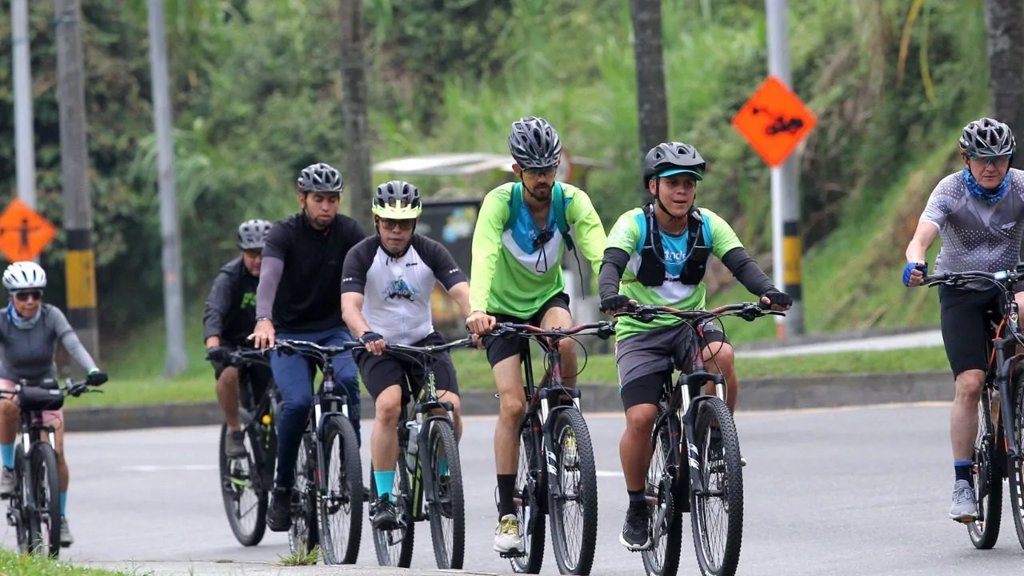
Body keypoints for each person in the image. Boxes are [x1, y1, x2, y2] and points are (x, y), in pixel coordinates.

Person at [598, 141, 791, 550]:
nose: (682, 191)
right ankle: (637, 505)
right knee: (641, 417)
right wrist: (611, 296)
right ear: (653, 186)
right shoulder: (633, 224)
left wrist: (768, 291)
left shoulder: (708, 225)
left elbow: (742, 264)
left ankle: (717, 442)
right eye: (673, 183)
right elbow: (611, 263)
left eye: (688, 183)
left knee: (722, 356)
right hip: (641, 329)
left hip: (692, 324)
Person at [463, 116, 607, 554]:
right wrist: (477, 309)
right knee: (512, 405)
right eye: (535, 171)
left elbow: (599, 250)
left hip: (546, 299)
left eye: (550, 169)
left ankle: (564, 416)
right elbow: (484, 254)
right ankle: (508, 514)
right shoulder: (500, 203)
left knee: (566, 341)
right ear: (517, 170)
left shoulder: (571, 200)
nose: (544, 178)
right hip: (499, 312)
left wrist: (618, 294)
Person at [903, 117, 1024, 523]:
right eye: (982, 159)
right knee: (970, 383)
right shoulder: (950, 190)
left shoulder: (1021, 185)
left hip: (1010, 282)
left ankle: (1016, 392)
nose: (991, 167)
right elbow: (922, 235)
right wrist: (916, 261)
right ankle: (962, 483)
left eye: (1000, 159)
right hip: (960, 288)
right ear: (965, 159)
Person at [341, 180, 474, 530]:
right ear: (377, 221)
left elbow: (462, 291)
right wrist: (365, 333)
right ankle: (384, 497)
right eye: (389, 223)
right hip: (377, 345)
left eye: (403, 224)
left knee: (450, 407)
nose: (396, 231)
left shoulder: (430, 250)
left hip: (423, 342)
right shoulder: (361, 255)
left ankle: (443, 475)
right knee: (389, 406)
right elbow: (350, 307)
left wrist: (476, 317)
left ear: (414, 223)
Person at [250, 162, 366, 532]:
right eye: (319, 199)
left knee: (347, 382)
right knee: (298, 403)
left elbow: (371, 273)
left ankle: (349, 470)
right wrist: (264, 318)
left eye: (332, 199)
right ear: (302, 199)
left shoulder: (349, 231)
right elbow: (268, 279)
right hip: (288, 334)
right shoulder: (283, 234)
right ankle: (283, 488)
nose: (326, 207)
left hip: (335, 329)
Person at [0, 261, 107, 548]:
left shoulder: (51, 316)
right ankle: (8, 469)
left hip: (45, 383)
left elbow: (72, 343)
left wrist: (92, 370)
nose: (30, 301)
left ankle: (60, 517)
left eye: (35, 294)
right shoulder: (2, 320)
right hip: (11, 381)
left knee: (57, 451)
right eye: (23, 296)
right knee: (5, 407)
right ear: (11, 297)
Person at [203, 219, 275, 458]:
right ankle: (234, 431)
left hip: (265, 343)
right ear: (242, 252)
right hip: (231, 344)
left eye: (263, 254)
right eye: (252, 254)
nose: (258, 260)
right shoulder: (230, 277)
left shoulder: (280, 275)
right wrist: (213, 345)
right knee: (229, 375)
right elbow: (214, 311)